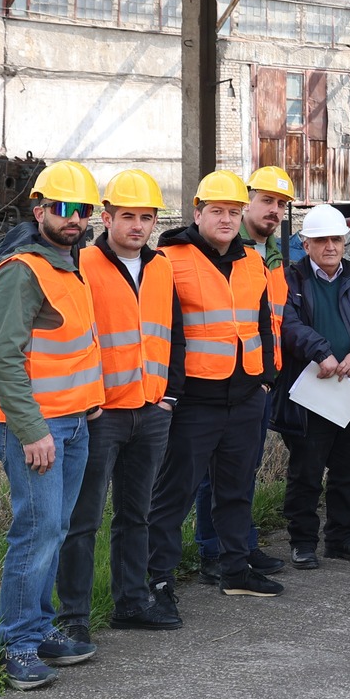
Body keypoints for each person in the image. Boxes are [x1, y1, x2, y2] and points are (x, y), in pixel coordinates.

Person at [0, 161, 107, 690]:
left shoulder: (66, 264)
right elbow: (1, 360)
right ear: (39, 211)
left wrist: (89, 402)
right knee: (36, 533)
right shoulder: (23, 271)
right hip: (37, 428)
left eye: (83, 209)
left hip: (73, 422)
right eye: (63, 208)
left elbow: (72, 347)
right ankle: (17, 643)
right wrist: (33, 431)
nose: (74, 218)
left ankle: (38, 628)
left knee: (54, 530)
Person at [142, 171, 282, 612]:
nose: (226, 219)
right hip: (194, 401)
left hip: (245, 395)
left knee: (236, 490)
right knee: (174, 494)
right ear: (198, 212)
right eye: (217, 210)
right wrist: (170, 392)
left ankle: (235, 570)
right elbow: (161, 330)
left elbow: (262, 323)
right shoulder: (167, 259)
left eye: (233, 212)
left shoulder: (252, 262)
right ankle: (158, 582)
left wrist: (265, 377)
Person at [56, 168, 176, 649]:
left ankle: (131, 602)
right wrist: (88, 401)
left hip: (151, 410)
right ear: (106, 218)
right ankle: (73, 617)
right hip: (101, 414)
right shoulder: (82, 264)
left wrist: (170, 396)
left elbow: (174, 332)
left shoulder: (161, 266)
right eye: (128, 216)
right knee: (82, 520)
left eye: (146, 217)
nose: (137, 226)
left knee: (136, 514)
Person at [278, 204, 350, 569]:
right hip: (312, 392)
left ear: (345, 242)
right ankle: (302, 542)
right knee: (306, 473)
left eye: (336, 240)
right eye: (321, 240)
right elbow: (287, 322)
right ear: (305, 244)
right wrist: (320, 351)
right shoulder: (291, 279)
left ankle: (341, 538)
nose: (330, 246)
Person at [192, 164, 294, 584]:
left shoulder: (274, 256)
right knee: (212, 476)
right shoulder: (227, 251)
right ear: (245, 202)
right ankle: (212, 551)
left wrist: (267, 376)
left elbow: (271, 320)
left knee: (242, 471)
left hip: (257, 380)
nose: (274, 211)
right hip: (218, 382)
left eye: (281, 204)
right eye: (266, 200)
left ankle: (242, 546)